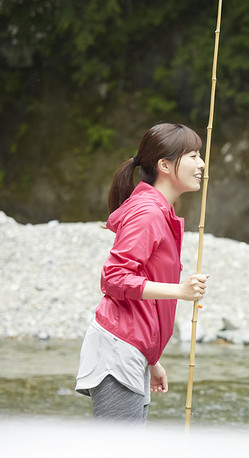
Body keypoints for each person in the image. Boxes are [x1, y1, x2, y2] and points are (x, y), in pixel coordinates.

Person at [75, 123, 209, 423]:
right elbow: (114, 278)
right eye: (193, 156)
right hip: (117, 350)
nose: (201, 164)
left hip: (132, 350)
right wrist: (180, 291)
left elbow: (139, 286)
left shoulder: (159, 210)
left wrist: (152, 360)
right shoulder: (148, 212)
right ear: (164, 165)